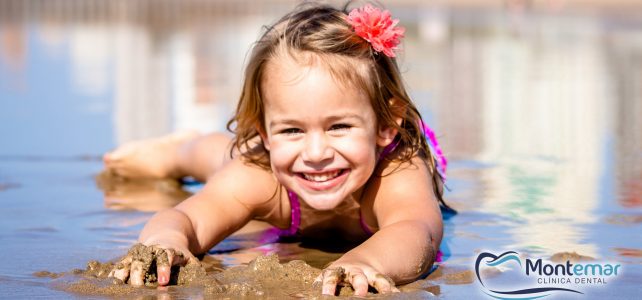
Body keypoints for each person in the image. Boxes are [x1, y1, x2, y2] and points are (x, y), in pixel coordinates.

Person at [104, 2, 450, 296]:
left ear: (386, 124)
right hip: (258, 161)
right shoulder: (262, 171)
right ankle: (177, 150)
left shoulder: (397, 171)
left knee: (237, 161)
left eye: (339, 126)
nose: (316, 153)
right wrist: (166, 241)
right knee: (221, 158)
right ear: (265, 133)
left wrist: (366, 262)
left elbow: (416, 230)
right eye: (292, 129)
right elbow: (189, 218)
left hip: (358, 156)